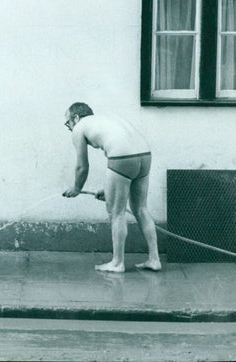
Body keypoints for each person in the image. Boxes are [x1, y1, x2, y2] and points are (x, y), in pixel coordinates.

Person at [61, 102, 161, 273]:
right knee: (141, 209)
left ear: (76, 118)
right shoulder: (105, 119)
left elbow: (82, 166)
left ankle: (117, 263)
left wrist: (77, 188)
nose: (69, 128)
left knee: (117, 213)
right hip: (145, 155)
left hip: (122, 156)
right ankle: (154, 259)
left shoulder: (79, 128)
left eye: (68, 123)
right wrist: (109, 190)